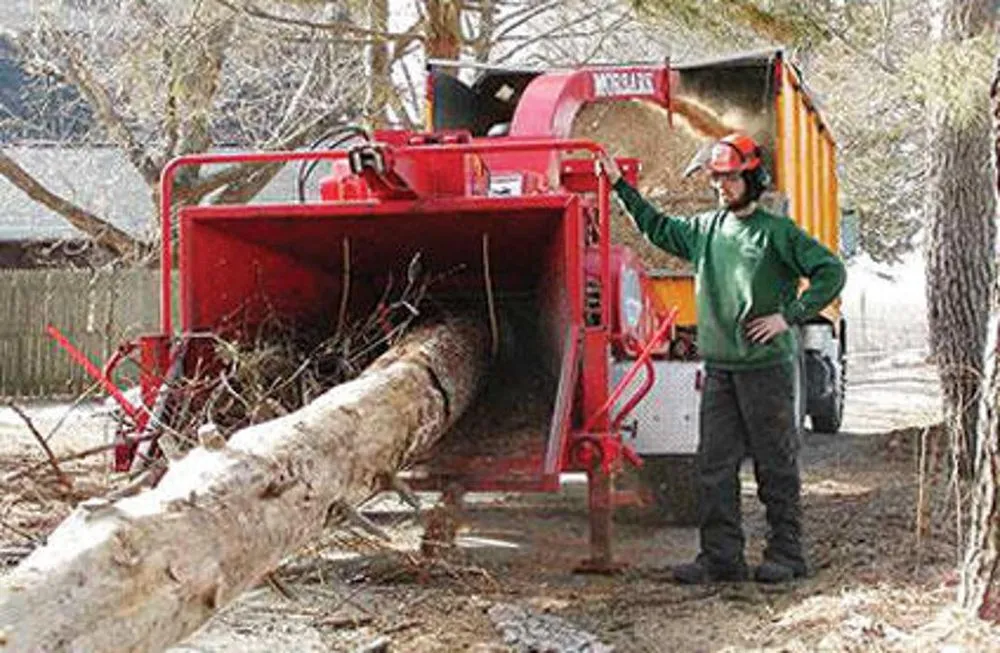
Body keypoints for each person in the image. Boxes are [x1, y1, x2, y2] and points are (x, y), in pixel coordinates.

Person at [598, 133, 846, 584]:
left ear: (753, 178)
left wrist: (788, 316)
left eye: (730, 177)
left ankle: (787, 556)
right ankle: (721, 558)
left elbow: (832, 272)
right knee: (713, 466)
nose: (721, 186)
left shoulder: (777, 233)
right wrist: (620, 186)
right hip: (720, 371)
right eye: (716, 179)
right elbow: (656, 227)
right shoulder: (705, 230)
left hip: (765, 370)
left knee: (775, 465)